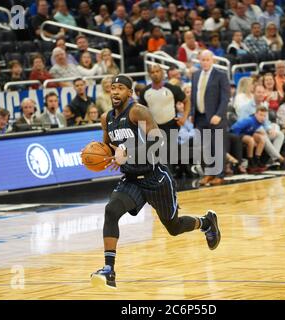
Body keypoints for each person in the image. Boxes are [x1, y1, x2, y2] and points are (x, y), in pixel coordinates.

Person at [90, 75, 221, 289]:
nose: (115, 92)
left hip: (155, 177)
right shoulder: (106, 118)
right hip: (132, 180)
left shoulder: (137, 111)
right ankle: (109, 270)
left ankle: (206, 222)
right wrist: (100, 156)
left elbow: (158, 141)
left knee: (174, 227)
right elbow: (108, 148)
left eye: (120, 88)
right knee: (111, 210)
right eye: (112, 88)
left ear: (129, 93)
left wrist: (128, 152)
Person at [139, 64, 191, 172]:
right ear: (149, 75)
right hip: (154, 127)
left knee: (167, 152)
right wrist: (144, 127)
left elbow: (187, 101)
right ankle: (165, 178)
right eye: (152, 72)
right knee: (160, 154)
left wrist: (184, 118)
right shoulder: (145, 92)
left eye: (157, 71)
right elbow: (141, 111)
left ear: (162, 73)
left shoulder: (172, 88)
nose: (155, 74)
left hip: (171, 125)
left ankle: (169, 178)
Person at [191, 50, 230, 186]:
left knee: (218, 146)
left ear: (212, 60)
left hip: (216, 117)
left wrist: (219, 114)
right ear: (199, 60)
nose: (205, 62)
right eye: (203, 59)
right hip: (200, 116)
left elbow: (225, 98)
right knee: (205, 147)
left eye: (208, 59)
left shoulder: (221, 75)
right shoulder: (195, 75)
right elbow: (193, 96)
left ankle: (219, 174)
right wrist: (192, 113)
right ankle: (209, 173)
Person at [231, 105, 268, 173]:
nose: (262, 117)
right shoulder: (249, 120)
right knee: (251, 140)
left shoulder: (260, 122)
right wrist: (236, 139)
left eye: (264, 116)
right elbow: (235, 128)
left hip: (247, 134)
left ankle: (257, 160)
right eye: (260, 115)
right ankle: (250, 162)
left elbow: (251, 130)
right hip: (236, 134)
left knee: (262, 139)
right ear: (256, 114)